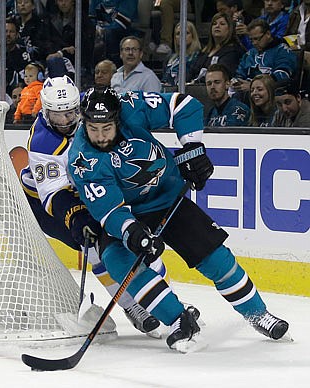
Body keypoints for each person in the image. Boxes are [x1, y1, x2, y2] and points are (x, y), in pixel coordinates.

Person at [67, 86, 289, 351]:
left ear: (117, 119)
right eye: (93, 129)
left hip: (166, 198)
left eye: (106, 129)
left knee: (216, 257)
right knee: (117, 260)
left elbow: (183, 105)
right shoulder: (82, 160)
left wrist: (192, 147)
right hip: (129, 213)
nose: (100, 137)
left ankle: (257, 314)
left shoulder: (133, 107)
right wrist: (133, 233)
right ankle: (178, 319)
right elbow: (110, 210)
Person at [20, 76, 165, 337]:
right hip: (51, 204)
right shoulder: (43, 141)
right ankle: (132, 307)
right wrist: (77, 218)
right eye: (57, 115)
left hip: (90, 188)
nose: (65, 122)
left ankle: (162, 299)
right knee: (99, 248)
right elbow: (54, 193)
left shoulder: (93, 111)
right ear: (44, 110)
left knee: (139, 239)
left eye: (70, 114)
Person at [234, 19, 298, 93]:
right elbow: (239, 74)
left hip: (273, 94)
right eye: (251, 40)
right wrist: (235, 83)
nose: (254, 43)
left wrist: (253, 86)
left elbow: (282, 75)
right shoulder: (250, 53)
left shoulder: (282, 50)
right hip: (246, 93)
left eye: (257, 39)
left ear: (268, 34)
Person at [189, 12, 246, 83]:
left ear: (229, 29)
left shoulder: (233, 51)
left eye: (222, 24)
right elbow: (191, 71)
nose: (217, 26)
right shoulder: (205, 51)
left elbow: (223, 74)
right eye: (214, 24)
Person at [162, 21, 202, 87]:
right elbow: (164, 80)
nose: (182, 36)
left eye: (186, 33)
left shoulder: (199, 57)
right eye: (178, 33)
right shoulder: (169, 58)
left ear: (193, 36)